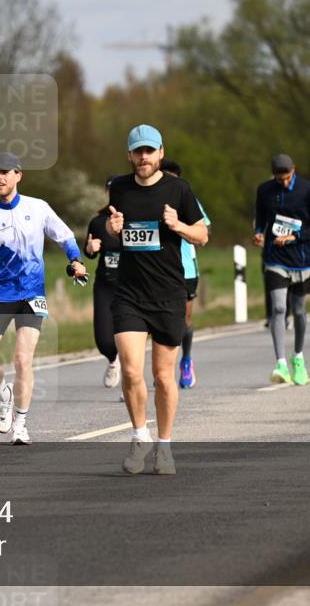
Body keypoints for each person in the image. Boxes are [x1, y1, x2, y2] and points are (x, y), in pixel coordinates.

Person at [106, 125, 208, 476]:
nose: (144, 157)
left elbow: (203, 234)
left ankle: (164, 446)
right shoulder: (118, 187)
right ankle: (139, 435)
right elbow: (112, 227)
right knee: (131, 368)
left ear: (161, 152)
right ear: (130, 155)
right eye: (138, 152)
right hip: (129, 294)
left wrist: (178, 225)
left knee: (163, 377)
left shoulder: (178, 189)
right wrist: (112, 229)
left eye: (150, 151)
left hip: (167, 293)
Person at [0, 152, 87, 445]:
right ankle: (4, 395)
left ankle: (21, 424)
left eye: (6, 172)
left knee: (23, 360)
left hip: (31, 294)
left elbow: (64, 236)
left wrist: (75, 259)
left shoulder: (38, 208)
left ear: (18, 175)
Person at [254, 154, 310, 386]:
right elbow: (261, 218)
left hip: (302, 259)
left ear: (293, 170)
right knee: (278, 308)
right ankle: (280, 363)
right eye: (279, 178)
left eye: (287, 177)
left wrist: (295, 236)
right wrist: (258, 232)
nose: (284, 182)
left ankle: (298, 357)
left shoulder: (308, 190)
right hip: (275, 259)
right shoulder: (264, 190)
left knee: (298, 311)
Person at [159, 160, 211, 389]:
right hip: (158, 269)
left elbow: (205, 232)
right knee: (159, 321)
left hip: (186, 269)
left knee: (183, 321)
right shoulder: (151, 198)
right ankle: (163, 369)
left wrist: (181, 226)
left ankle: (186, 360)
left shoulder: (187, 198)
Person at [84, 176, 123, 389]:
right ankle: (113, 360)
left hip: (130, 285)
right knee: (103, 339)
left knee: (128, 336)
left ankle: (130, 382)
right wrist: (90, 249)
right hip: (105, 284)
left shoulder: (135, 218)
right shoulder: (98, 222)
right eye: (111, 190)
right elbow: (87, 251)